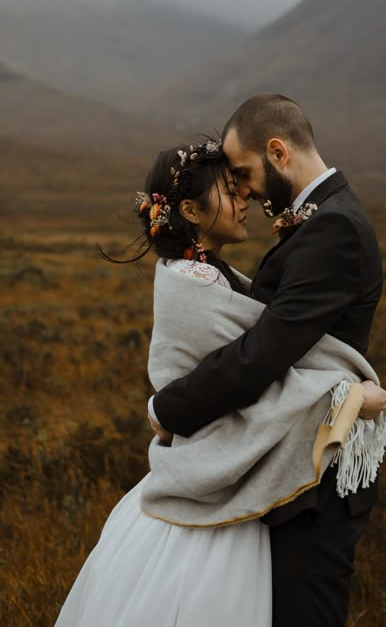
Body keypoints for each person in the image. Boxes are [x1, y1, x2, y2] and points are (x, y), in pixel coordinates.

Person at [148, 94, 386, 627]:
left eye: (243, 174)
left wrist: (169, 408)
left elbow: (263, 355)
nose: (241, 191)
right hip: (292, 465)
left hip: (316, 483)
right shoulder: (320, 220)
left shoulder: (334, 229)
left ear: (277, 152)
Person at [55, 141, 273, 627]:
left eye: (242, 189)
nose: (245, 200)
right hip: (209, 476)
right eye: (230, 191)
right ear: (190, 210)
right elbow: (248, 368)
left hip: (217, 467)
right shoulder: (193, 279)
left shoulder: (214, 274)